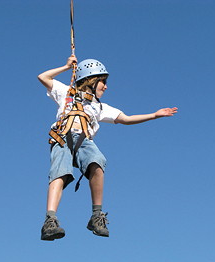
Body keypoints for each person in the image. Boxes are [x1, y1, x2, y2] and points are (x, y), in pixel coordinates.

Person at [38, 54, 178, 241]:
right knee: (59, 172)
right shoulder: (66, 93)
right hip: (62, 137)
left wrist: (154, 115)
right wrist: (65, 67)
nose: (105, 86)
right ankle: (50, 220)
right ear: (90, 80)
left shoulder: (100, 107)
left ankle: (97, 216)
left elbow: (125, 119)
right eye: (102, 81)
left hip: (83, 141)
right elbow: (43, 77)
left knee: (97, 161)